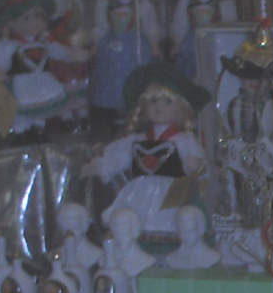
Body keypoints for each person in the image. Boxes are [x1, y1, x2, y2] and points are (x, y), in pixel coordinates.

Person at [81, 62, 211, 242]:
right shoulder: (139, 139)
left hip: (172, 192)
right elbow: (121, 157)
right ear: (144, 106)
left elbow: (202, 166)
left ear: (181, 109)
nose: (159, 106)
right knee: (131, 220)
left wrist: (196, 165)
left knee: (173, 221)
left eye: (167, 101)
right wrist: (101, 166)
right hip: (141, 191)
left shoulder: (185, 140)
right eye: (153, 100)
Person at [0, 0, 89, 140]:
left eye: (37, 16)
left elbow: (60, 51)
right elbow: (0, 60)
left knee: (41, 108)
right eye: (26, 18)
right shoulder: (9, 46)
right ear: (11, 22)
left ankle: (38, 129)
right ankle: (20, 132)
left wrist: (73, 54)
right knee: (22, 111)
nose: (34, 23)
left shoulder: (45, 42)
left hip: (43, 81)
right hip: (21, 84)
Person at [88, 0, 160, 133]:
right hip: (111, 45)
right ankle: (114, 114)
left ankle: (133, 114)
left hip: (135, 46)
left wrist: (154, 46)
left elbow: (150, 25)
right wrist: (95, 45)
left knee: (134, 78)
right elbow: (101, 26)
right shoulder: (104, 2)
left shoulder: (141, 2)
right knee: (111, 79)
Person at [168, 0, 235, 81]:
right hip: (193, 37)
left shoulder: (223, 1)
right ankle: (190, 80)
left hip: (216, 37)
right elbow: (180, 23)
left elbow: (230, 24)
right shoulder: (186, 0)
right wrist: (177, 43)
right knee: (189, 54)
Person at [164, 204, 220, 268]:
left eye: (190, 231)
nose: (186, 236)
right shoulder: (171, 258)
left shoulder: (213, 257)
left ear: (201, 229)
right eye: (182, 231)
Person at [56, 201, 103, 268]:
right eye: (65, 229)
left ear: (85, 227)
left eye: (75, 228)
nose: (70, 234)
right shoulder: (55, 255)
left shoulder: (99, 255)